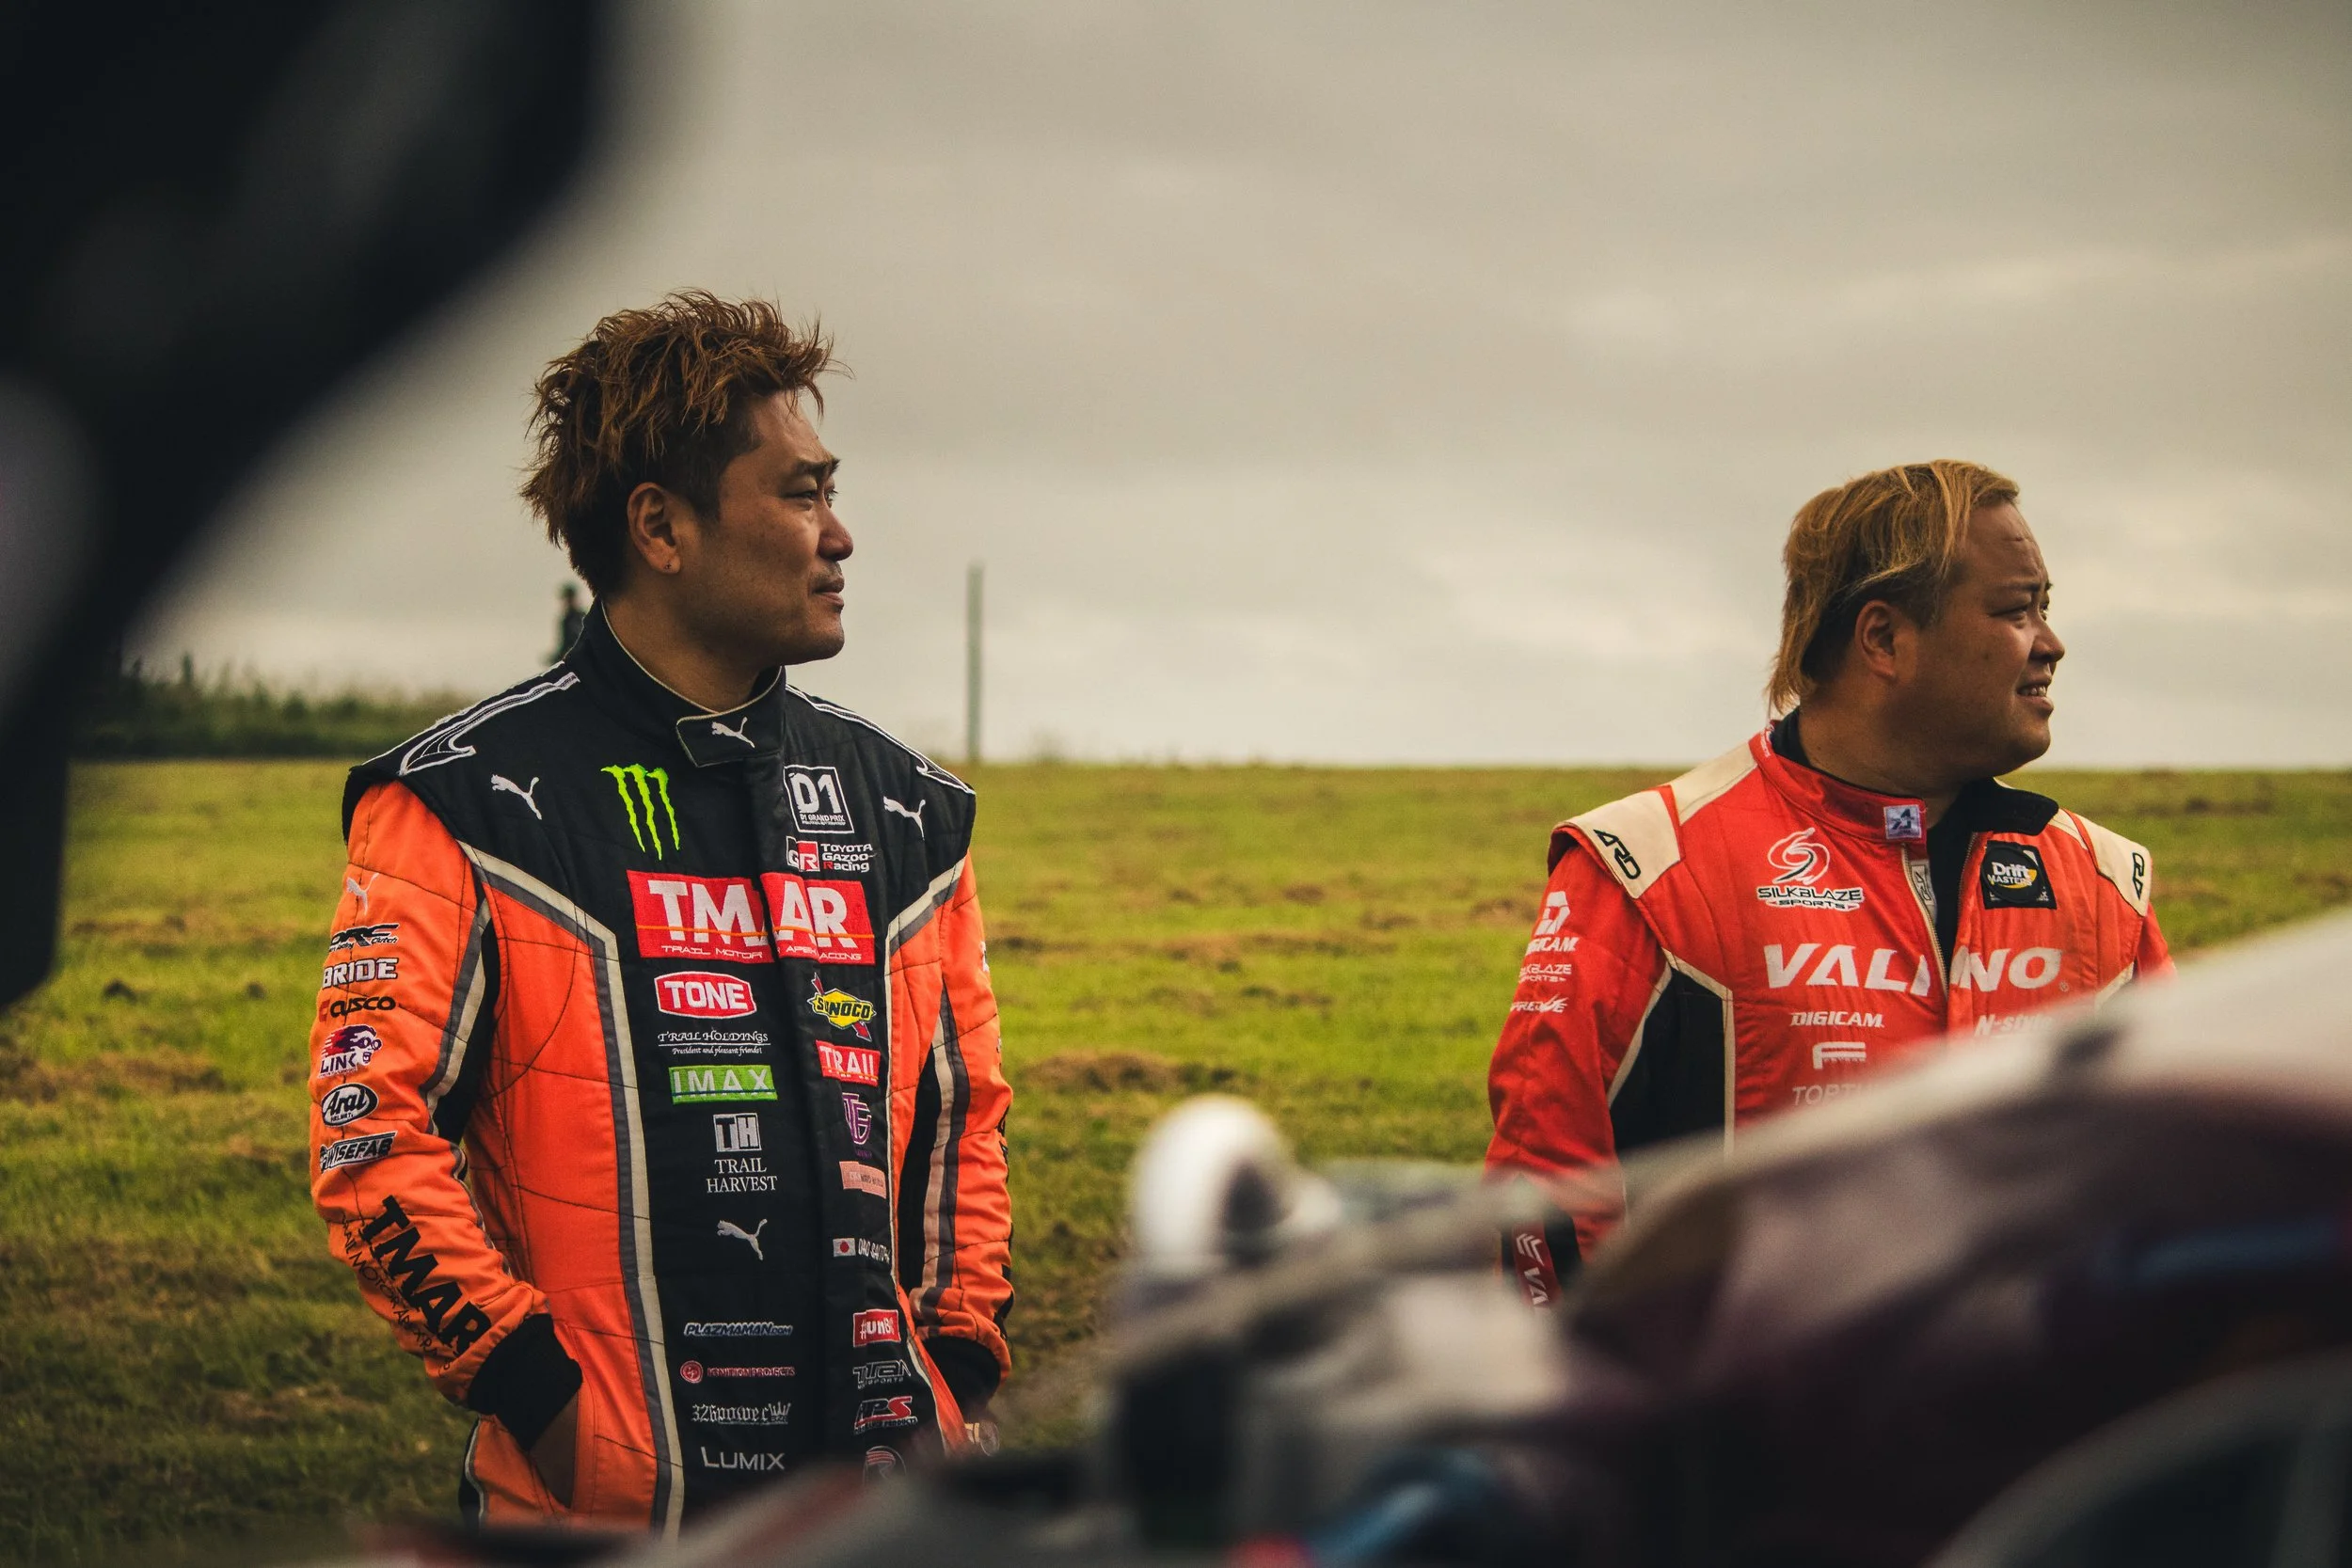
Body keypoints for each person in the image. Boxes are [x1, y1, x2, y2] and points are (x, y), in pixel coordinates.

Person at [306, 292, 1013, 1531]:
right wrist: (544, 1403)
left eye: (831, 491)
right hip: (602, 1520)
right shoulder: (463, 802)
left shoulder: (905, 808)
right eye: (799, 493)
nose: (839, 534)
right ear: (661, 527)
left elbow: (964, 1128)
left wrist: (956, 1372)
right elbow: (370, 1138)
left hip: (879, 1519)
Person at [1486, 460, 2169, 1302]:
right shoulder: (1648, 867)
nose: (2050, 644)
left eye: (2044, 607)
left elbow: (2179, 1174)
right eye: (2014, 610)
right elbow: (1542, 1192)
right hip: (1748, 1384)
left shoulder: (2101, 883)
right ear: (1882, 639)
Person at [552, 581, 588, 662]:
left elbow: (568, 644)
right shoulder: (568, 619)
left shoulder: (581, 618)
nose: (566, 602)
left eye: (568, 599)